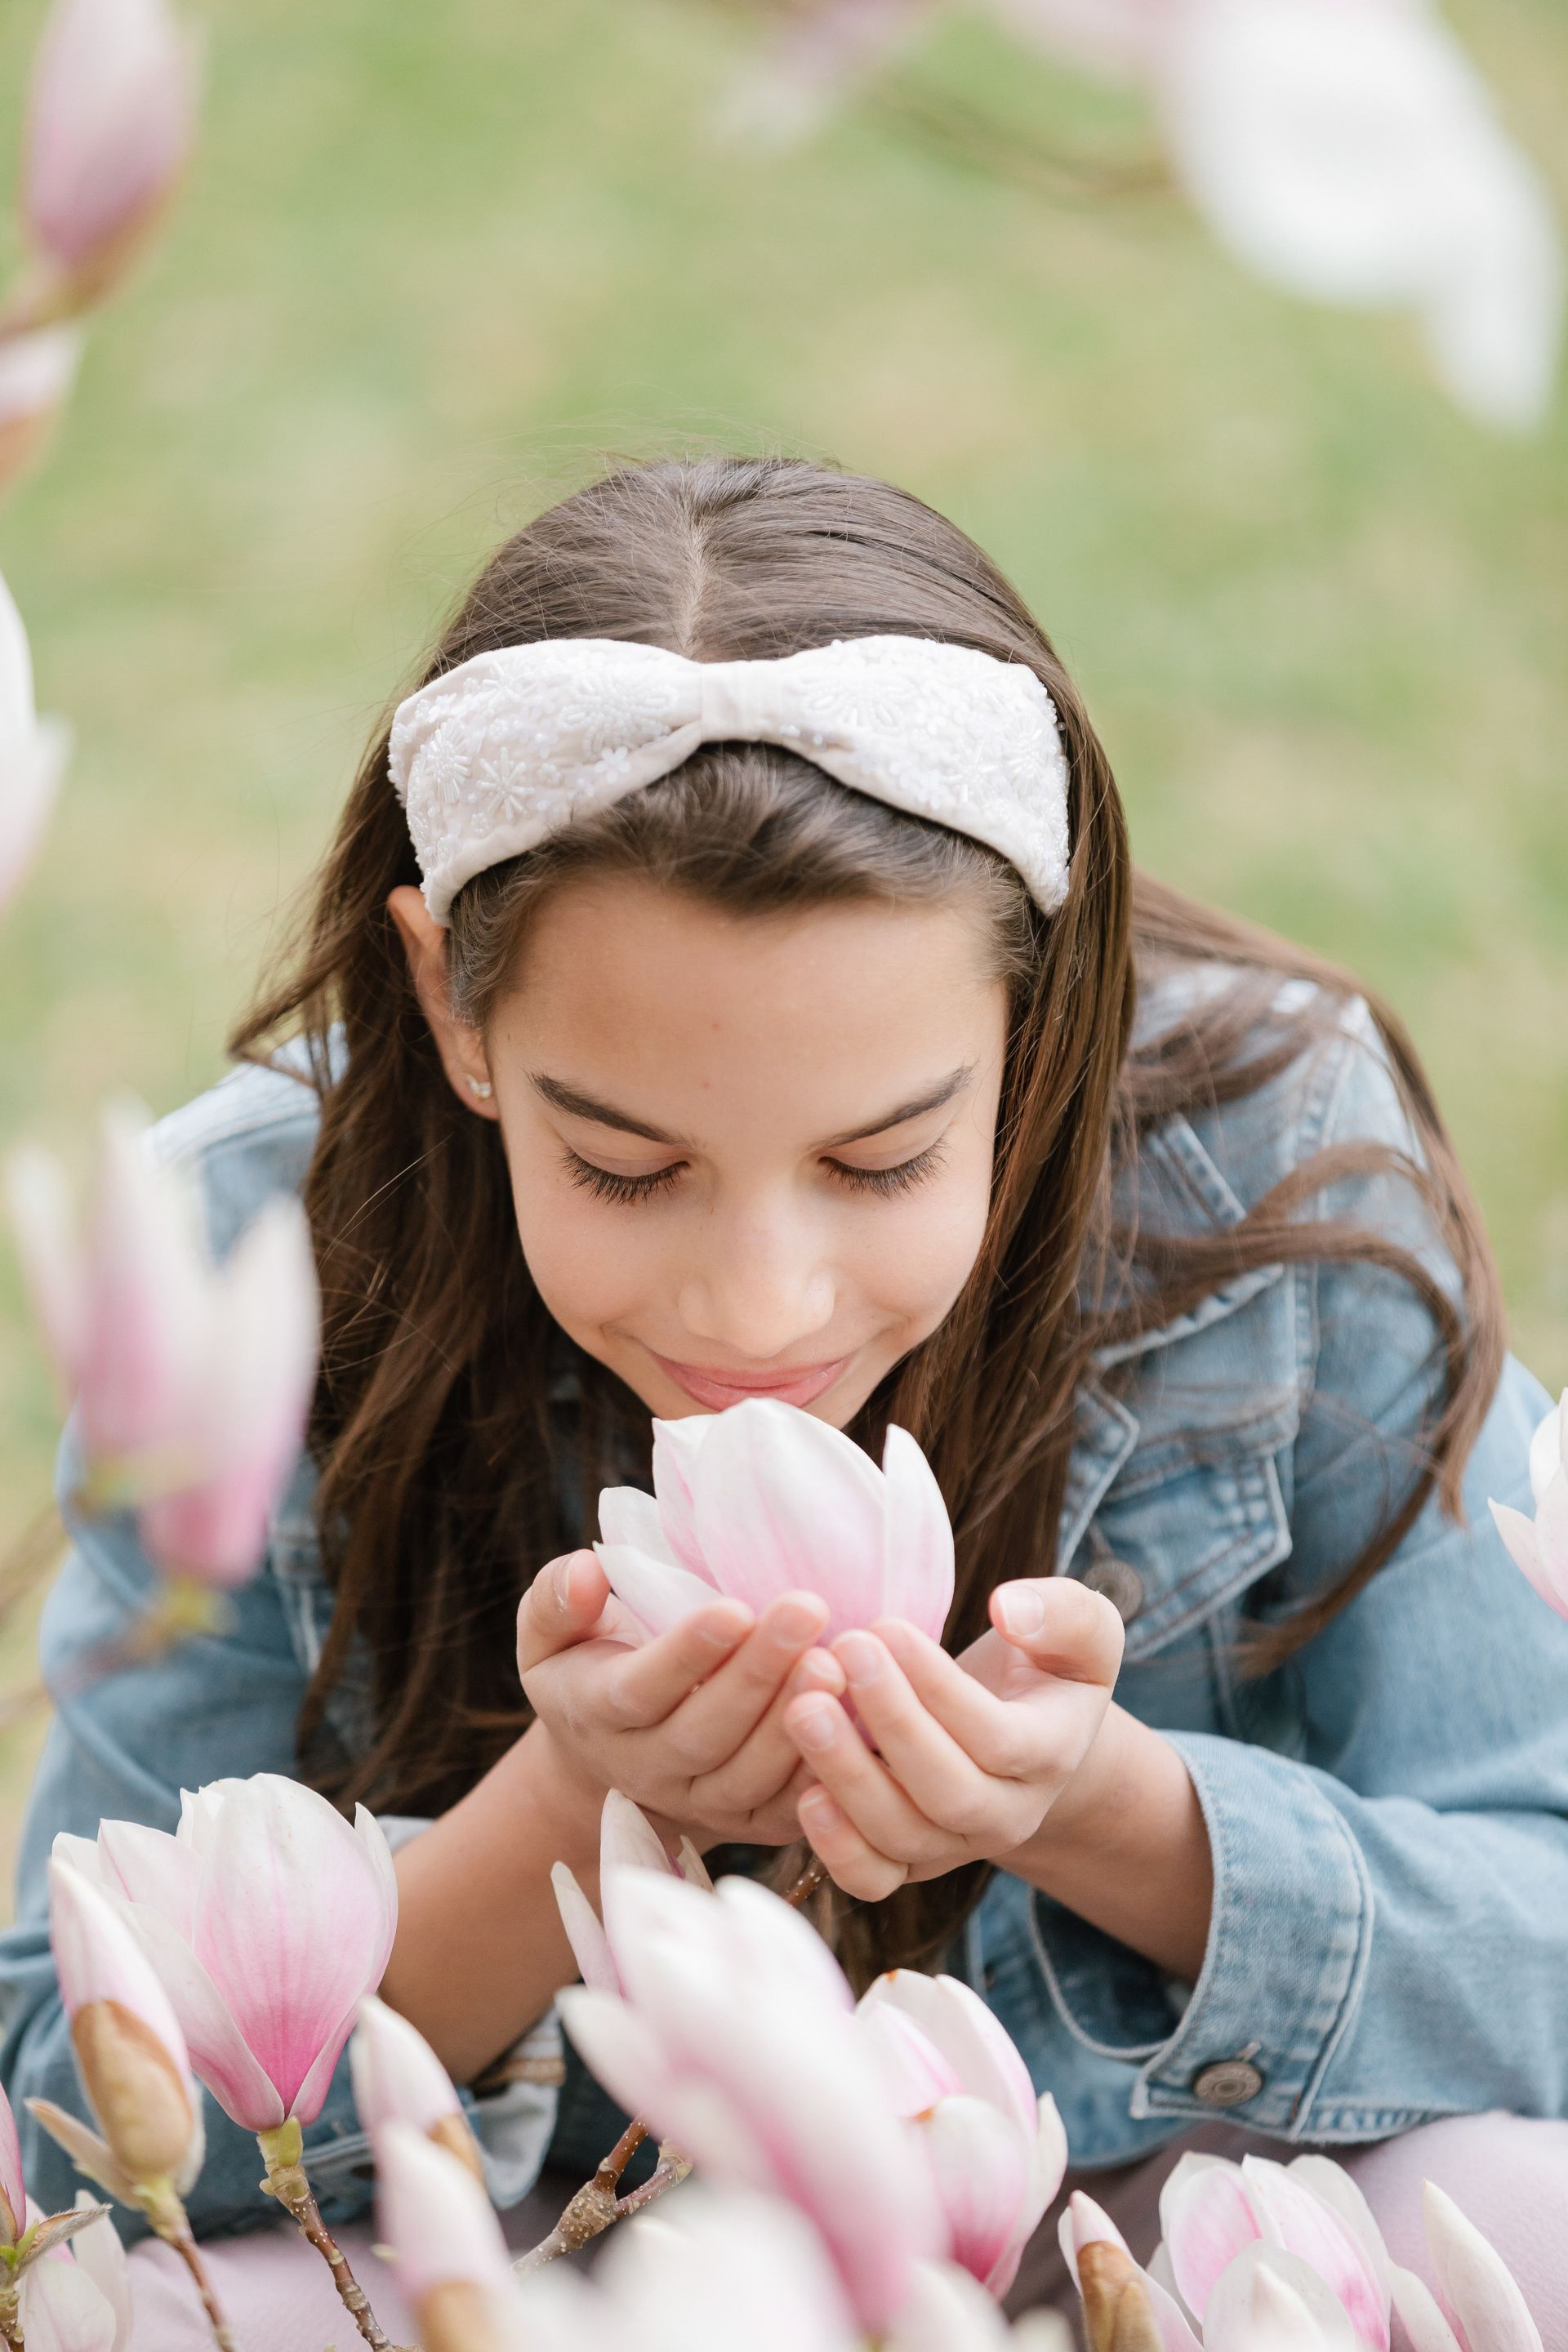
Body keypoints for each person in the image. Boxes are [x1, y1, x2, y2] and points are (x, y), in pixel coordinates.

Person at [2, 457, 1565, 2347]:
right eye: (629, 1169)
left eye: (884, 1161)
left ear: (1037, 1011)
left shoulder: (1265, 1158)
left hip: (1110, 2240)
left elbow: (1542, 1922)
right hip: (533, 2276)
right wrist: (578, 1800)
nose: (761, 1306)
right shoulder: (260, 1258)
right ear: (453, 1008)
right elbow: (68, 2114)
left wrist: (1101, 1809)